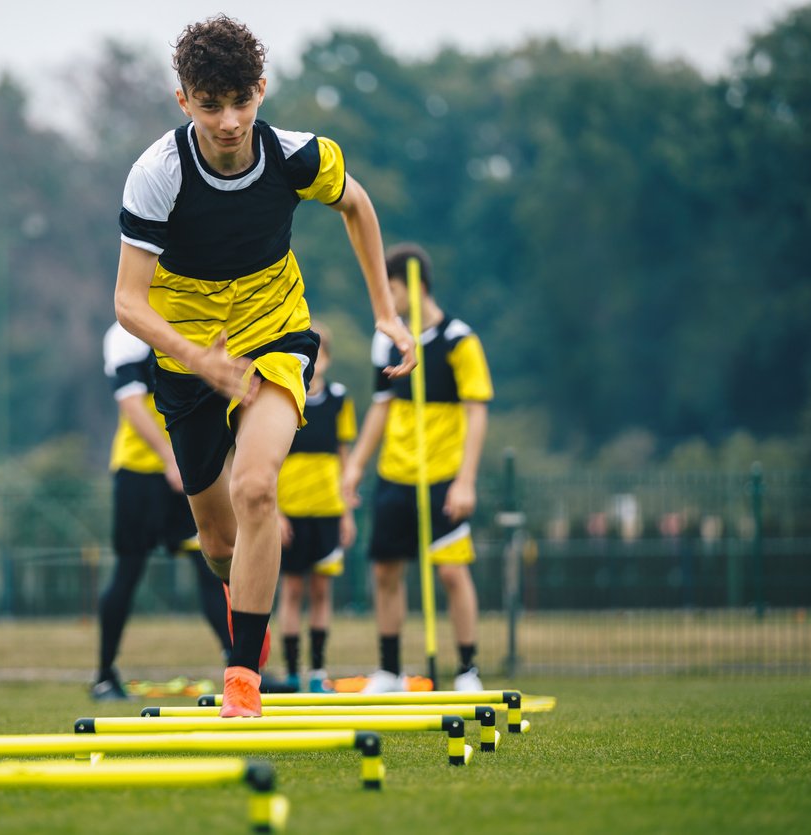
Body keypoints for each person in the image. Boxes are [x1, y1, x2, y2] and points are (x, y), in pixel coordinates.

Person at [113, 14, 415, 717]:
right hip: (188, 363)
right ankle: (248, 599)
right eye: (211, 104)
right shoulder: (157, 175)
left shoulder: (297, 156)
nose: (228, 120)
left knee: (256, 489)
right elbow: (128, 303)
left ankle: (242, 681)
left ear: (262, 89)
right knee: (219, 542)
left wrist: (385, 312)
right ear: (183, 99)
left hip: (277, 338)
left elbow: (358, 204)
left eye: (242, 101)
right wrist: (197, 359)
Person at [341, 243, 493, 693]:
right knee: (386, 570)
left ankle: (467, 669)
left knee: (450, 571)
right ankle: (390, 670)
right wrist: (354, 468)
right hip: (395, 474)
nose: (384, 300)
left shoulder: (459, 340)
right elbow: (380, 407)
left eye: (389, 289)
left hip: (444, 475)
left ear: (414, 286)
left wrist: (466, 481)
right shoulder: (386, 339)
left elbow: (477, 411)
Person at [94, 321, 234, 700]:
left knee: (214, 567)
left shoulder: (193, 321)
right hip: (140, 473)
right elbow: (131, 405)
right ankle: (105, 676)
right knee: (129, 569)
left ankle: (239, 669)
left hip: (189, 470)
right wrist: (169, 458)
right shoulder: (125, 333)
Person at [274, 322, 356, 693]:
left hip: (328, 510)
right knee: (291, 591)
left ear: (329, 358)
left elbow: (345, 458)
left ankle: (319, 672)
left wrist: (347, 512)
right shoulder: (285, 397)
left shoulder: (340, 400)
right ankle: (292, 672)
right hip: (289, 513)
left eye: (322, 353)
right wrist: (275, 512)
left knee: (322, 592)